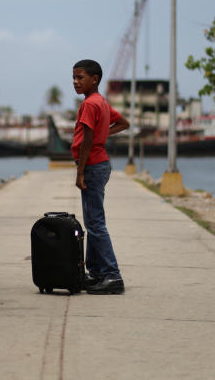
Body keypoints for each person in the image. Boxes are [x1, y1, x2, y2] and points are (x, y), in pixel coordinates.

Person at [71, 59, 129, 295]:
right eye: (73, 78)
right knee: (93, 222)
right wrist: (103, 136)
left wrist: (80, 171)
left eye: (80, 77)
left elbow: (86, 140)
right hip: (100, 164)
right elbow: (124, 123)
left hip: (93, 166)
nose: (75, 82)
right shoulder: (101, 102)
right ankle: (95, 273)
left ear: (94, 79)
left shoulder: (90, 105)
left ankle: (112, 276)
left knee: (96, 224)